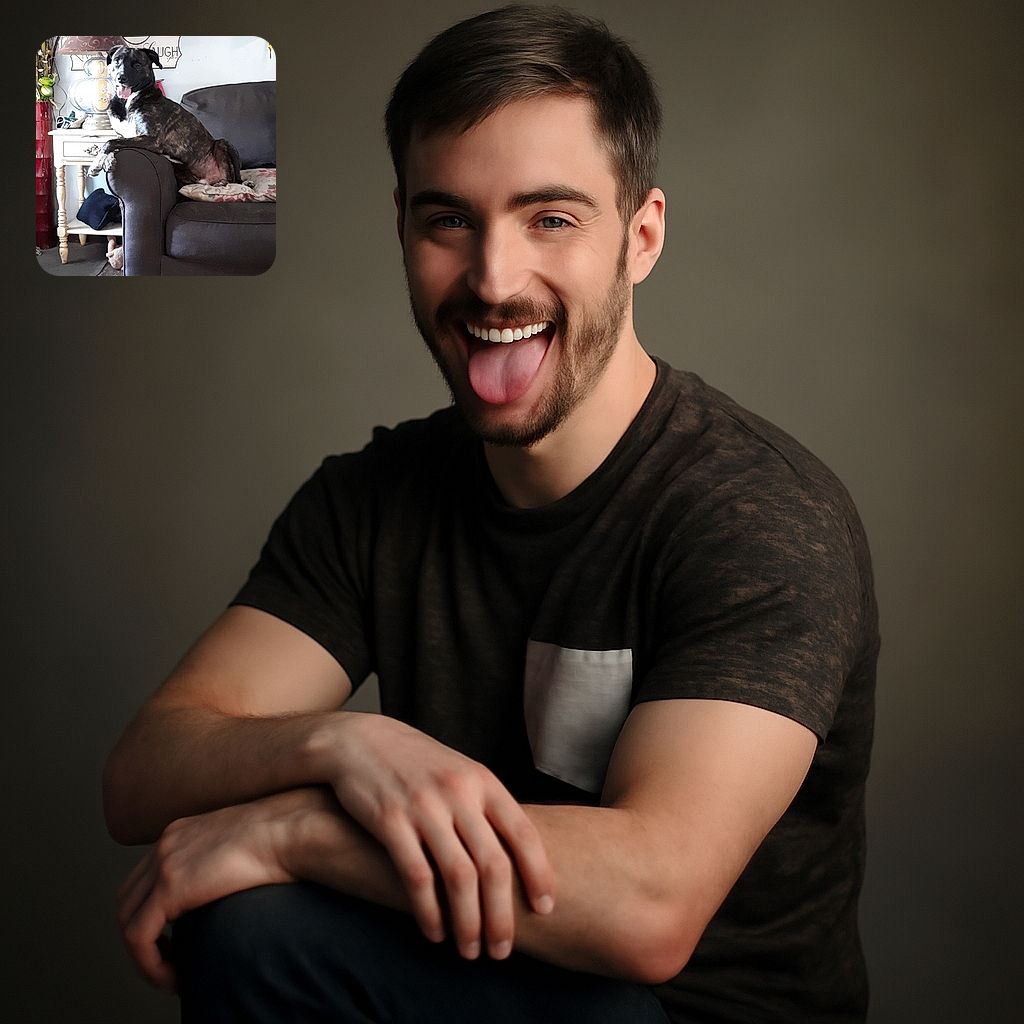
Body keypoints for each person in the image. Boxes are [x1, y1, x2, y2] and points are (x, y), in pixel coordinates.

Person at [104, 6, 878, 1022]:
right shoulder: (375, 497)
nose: (493, 279)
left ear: (640, 237)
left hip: (681, 1008)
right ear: (402, 229)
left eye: (550, 218)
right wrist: (341, 748)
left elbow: (649, 907)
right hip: (480, 975)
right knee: (245, 932)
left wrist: (290, 830)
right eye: (449, 220)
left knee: (271, 908)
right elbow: (145, 772)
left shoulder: (759, 514)